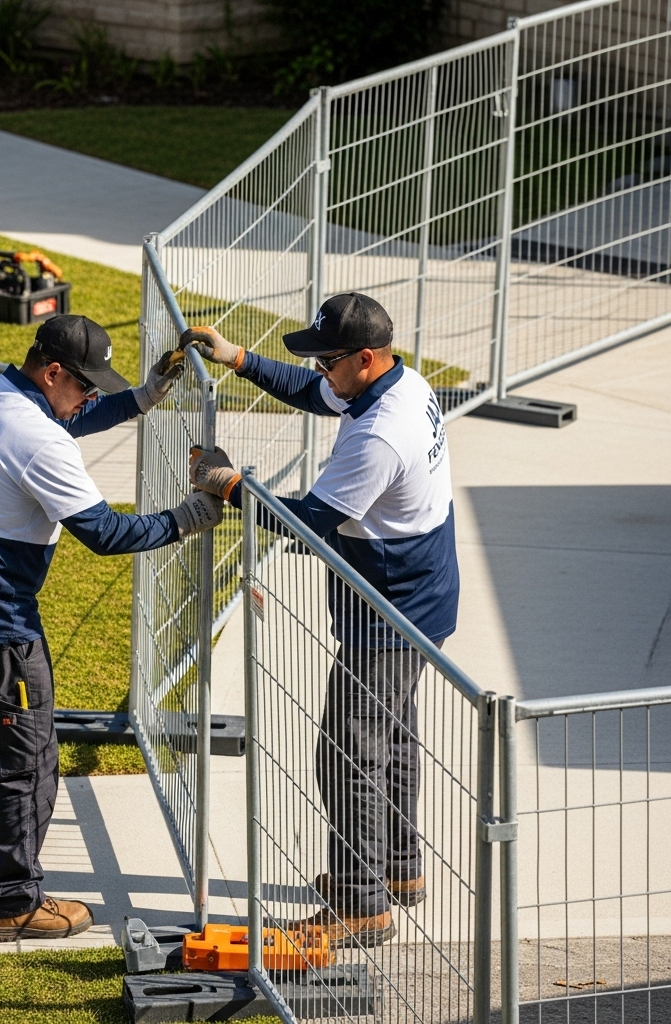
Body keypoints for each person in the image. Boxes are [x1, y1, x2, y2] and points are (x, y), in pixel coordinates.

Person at [0, 314, 222, 942]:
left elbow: (58, 421)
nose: (89, 399)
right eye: (85, 387)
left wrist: (141, 399)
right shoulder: (39, 442)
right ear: (52, 372)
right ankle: (14, 903)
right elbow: (104, 532)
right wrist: (185, 518)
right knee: (26, 762)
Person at [182, 291, 459, 947]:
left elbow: (305, 524)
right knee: (392, 736)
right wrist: (239, 358)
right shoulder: (397, 381)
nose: (319, 371)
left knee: (346, 754)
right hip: (420, 592)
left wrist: (226, 483)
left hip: (389, 608)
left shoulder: (380, 435)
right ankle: (399, 869)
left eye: (327, 360)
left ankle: (361, 903)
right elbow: (315, 394)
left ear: (364, 358)